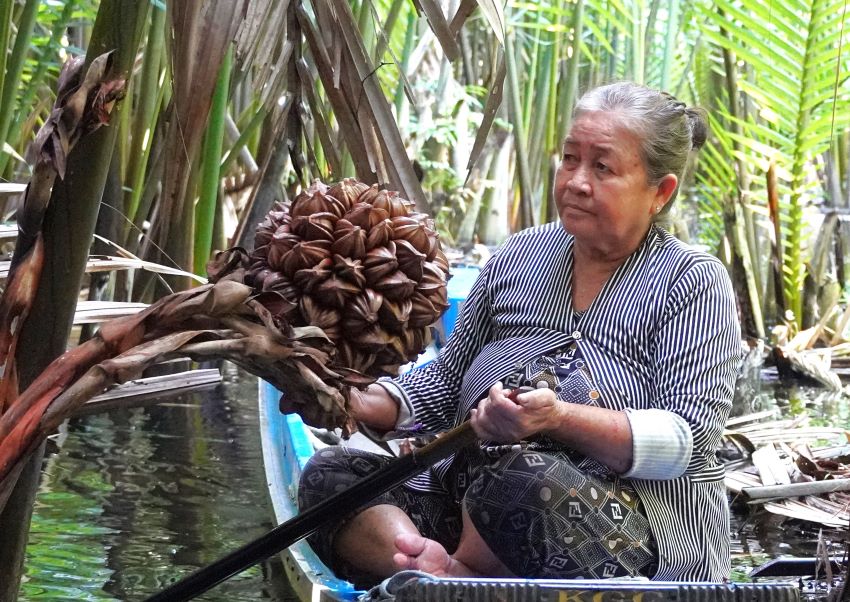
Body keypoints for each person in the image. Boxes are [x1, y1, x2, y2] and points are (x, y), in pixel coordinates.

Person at [298, 81, 742, 585]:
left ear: (659, 193)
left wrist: (557, 418)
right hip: (471, 501)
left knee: (517, 477)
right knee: (333, 476)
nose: (576, 181)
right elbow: (446, 382)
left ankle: (459, 583)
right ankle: (434, 573)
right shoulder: (517, 256)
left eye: (602, 167)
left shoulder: (693, 280)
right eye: (570, 159)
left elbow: (688, 440)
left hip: (623, 533)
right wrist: (358, 402)